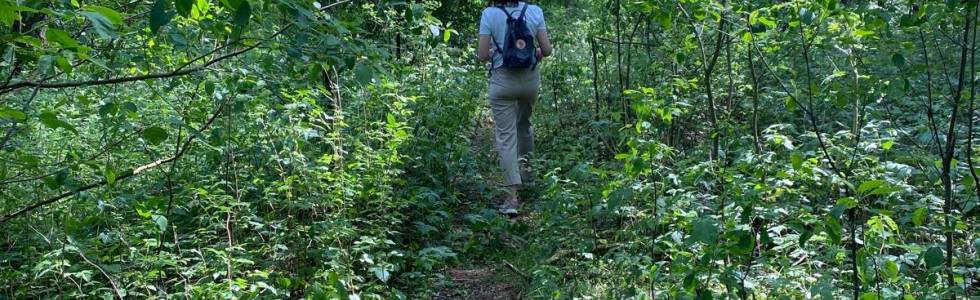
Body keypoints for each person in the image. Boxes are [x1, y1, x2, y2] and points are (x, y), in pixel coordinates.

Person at [477, 0, 552, 215]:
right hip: (529, 82)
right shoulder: (535, 11)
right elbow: (546, 50)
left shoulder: (490, 14)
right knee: (524, 126)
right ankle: (529, 178)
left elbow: (482, 56)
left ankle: (512, 198)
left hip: (502, 82)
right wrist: (532, 52)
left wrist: (496, 52)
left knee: (506, 136)